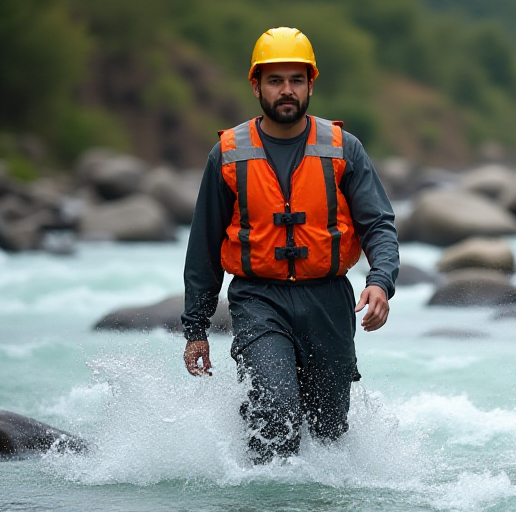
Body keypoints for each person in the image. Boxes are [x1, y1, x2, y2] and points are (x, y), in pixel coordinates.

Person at [180, 27, 399, 463]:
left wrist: (381, 281)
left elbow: (379, 224)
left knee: (329, 432)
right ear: (256, 85)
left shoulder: (344, 149)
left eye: (296, 80)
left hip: (329, 302)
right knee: (275, 410)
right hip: (258, 299)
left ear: (311, 84)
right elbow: (204, 246)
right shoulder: (227, 153)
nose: (286, 90)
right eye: (275, 80)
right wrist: (195, 329)